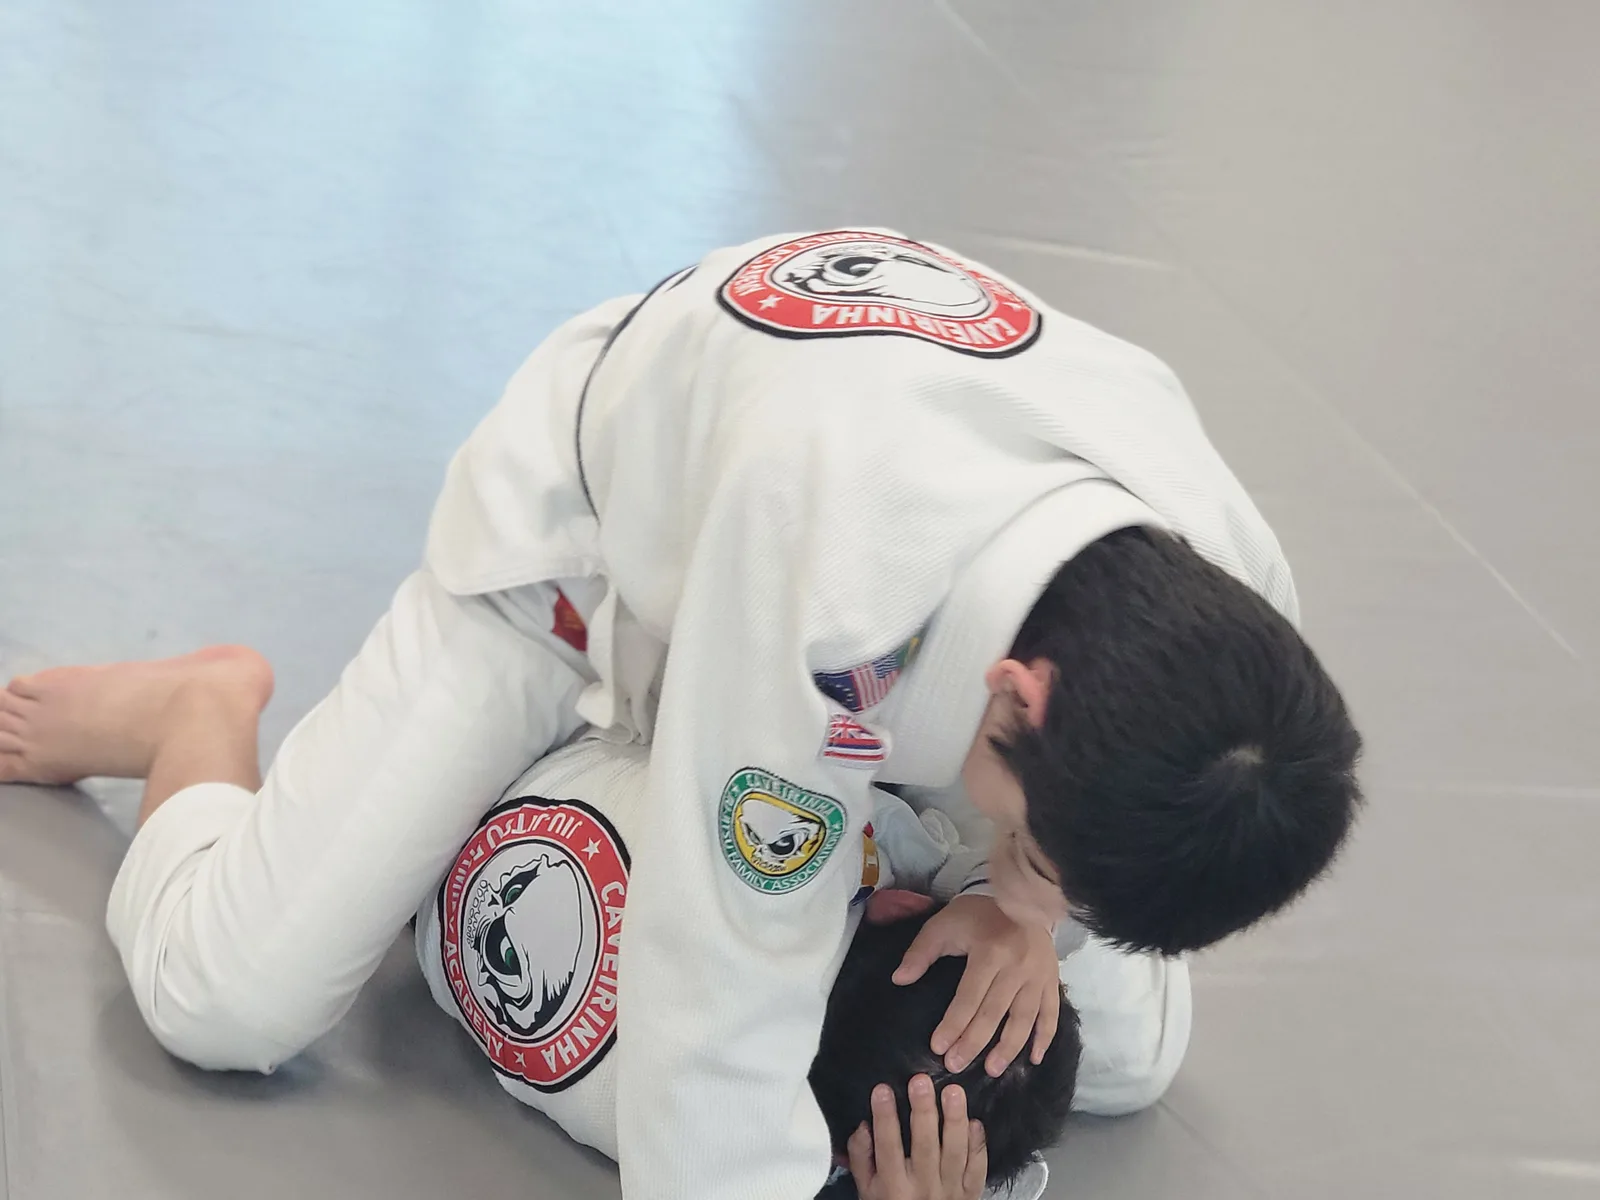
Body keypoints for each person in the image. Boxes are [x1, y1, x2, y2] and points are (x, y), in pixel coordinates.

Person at [0, 229, 1362, 1200]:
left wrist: (1027, 910)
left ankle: (978, 854)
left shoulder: (1234, 597)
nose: (1044, 890)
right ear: (1020, 704)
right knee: (225, 1000)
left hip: (917, 606)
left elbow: (1087, 859)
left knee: (1120, 1057)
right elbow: (721, 1018)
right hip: (586, 583)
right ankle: (191, 720)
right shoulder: (833, 589)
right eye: (1051, 855)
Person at [410, 736, 1079, 1200]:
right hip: (437, 937)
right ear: (844, 1160)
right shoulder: (723, 1152)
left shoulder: (844, 846)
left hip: (535, 777)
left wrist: (1005, 908)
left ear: (898, 903)